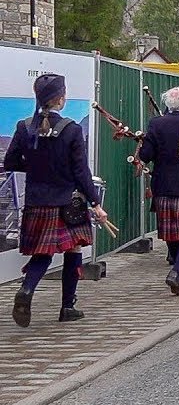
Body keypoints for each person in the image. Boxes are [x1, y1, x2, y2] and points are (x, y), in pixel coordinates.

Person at [6, 74, 108, 327]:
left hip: (36, 202)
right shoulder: (71, 130)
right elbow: (81, 172)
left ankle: (28, 289)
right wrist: (95, 203)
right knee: (73, 249)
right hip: (66, 202)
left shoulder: (23, 126)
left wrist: (34, 167)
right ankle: (67, 306)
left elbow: (10, 162)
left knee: (43, 253)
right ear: (60, 98)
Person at [139, 86, 179, 296]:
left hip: (162, 184)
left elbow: (146, 154)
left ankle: (176, 265)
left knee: (170, 229)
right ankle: (178, 269)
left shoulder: (156, 123)